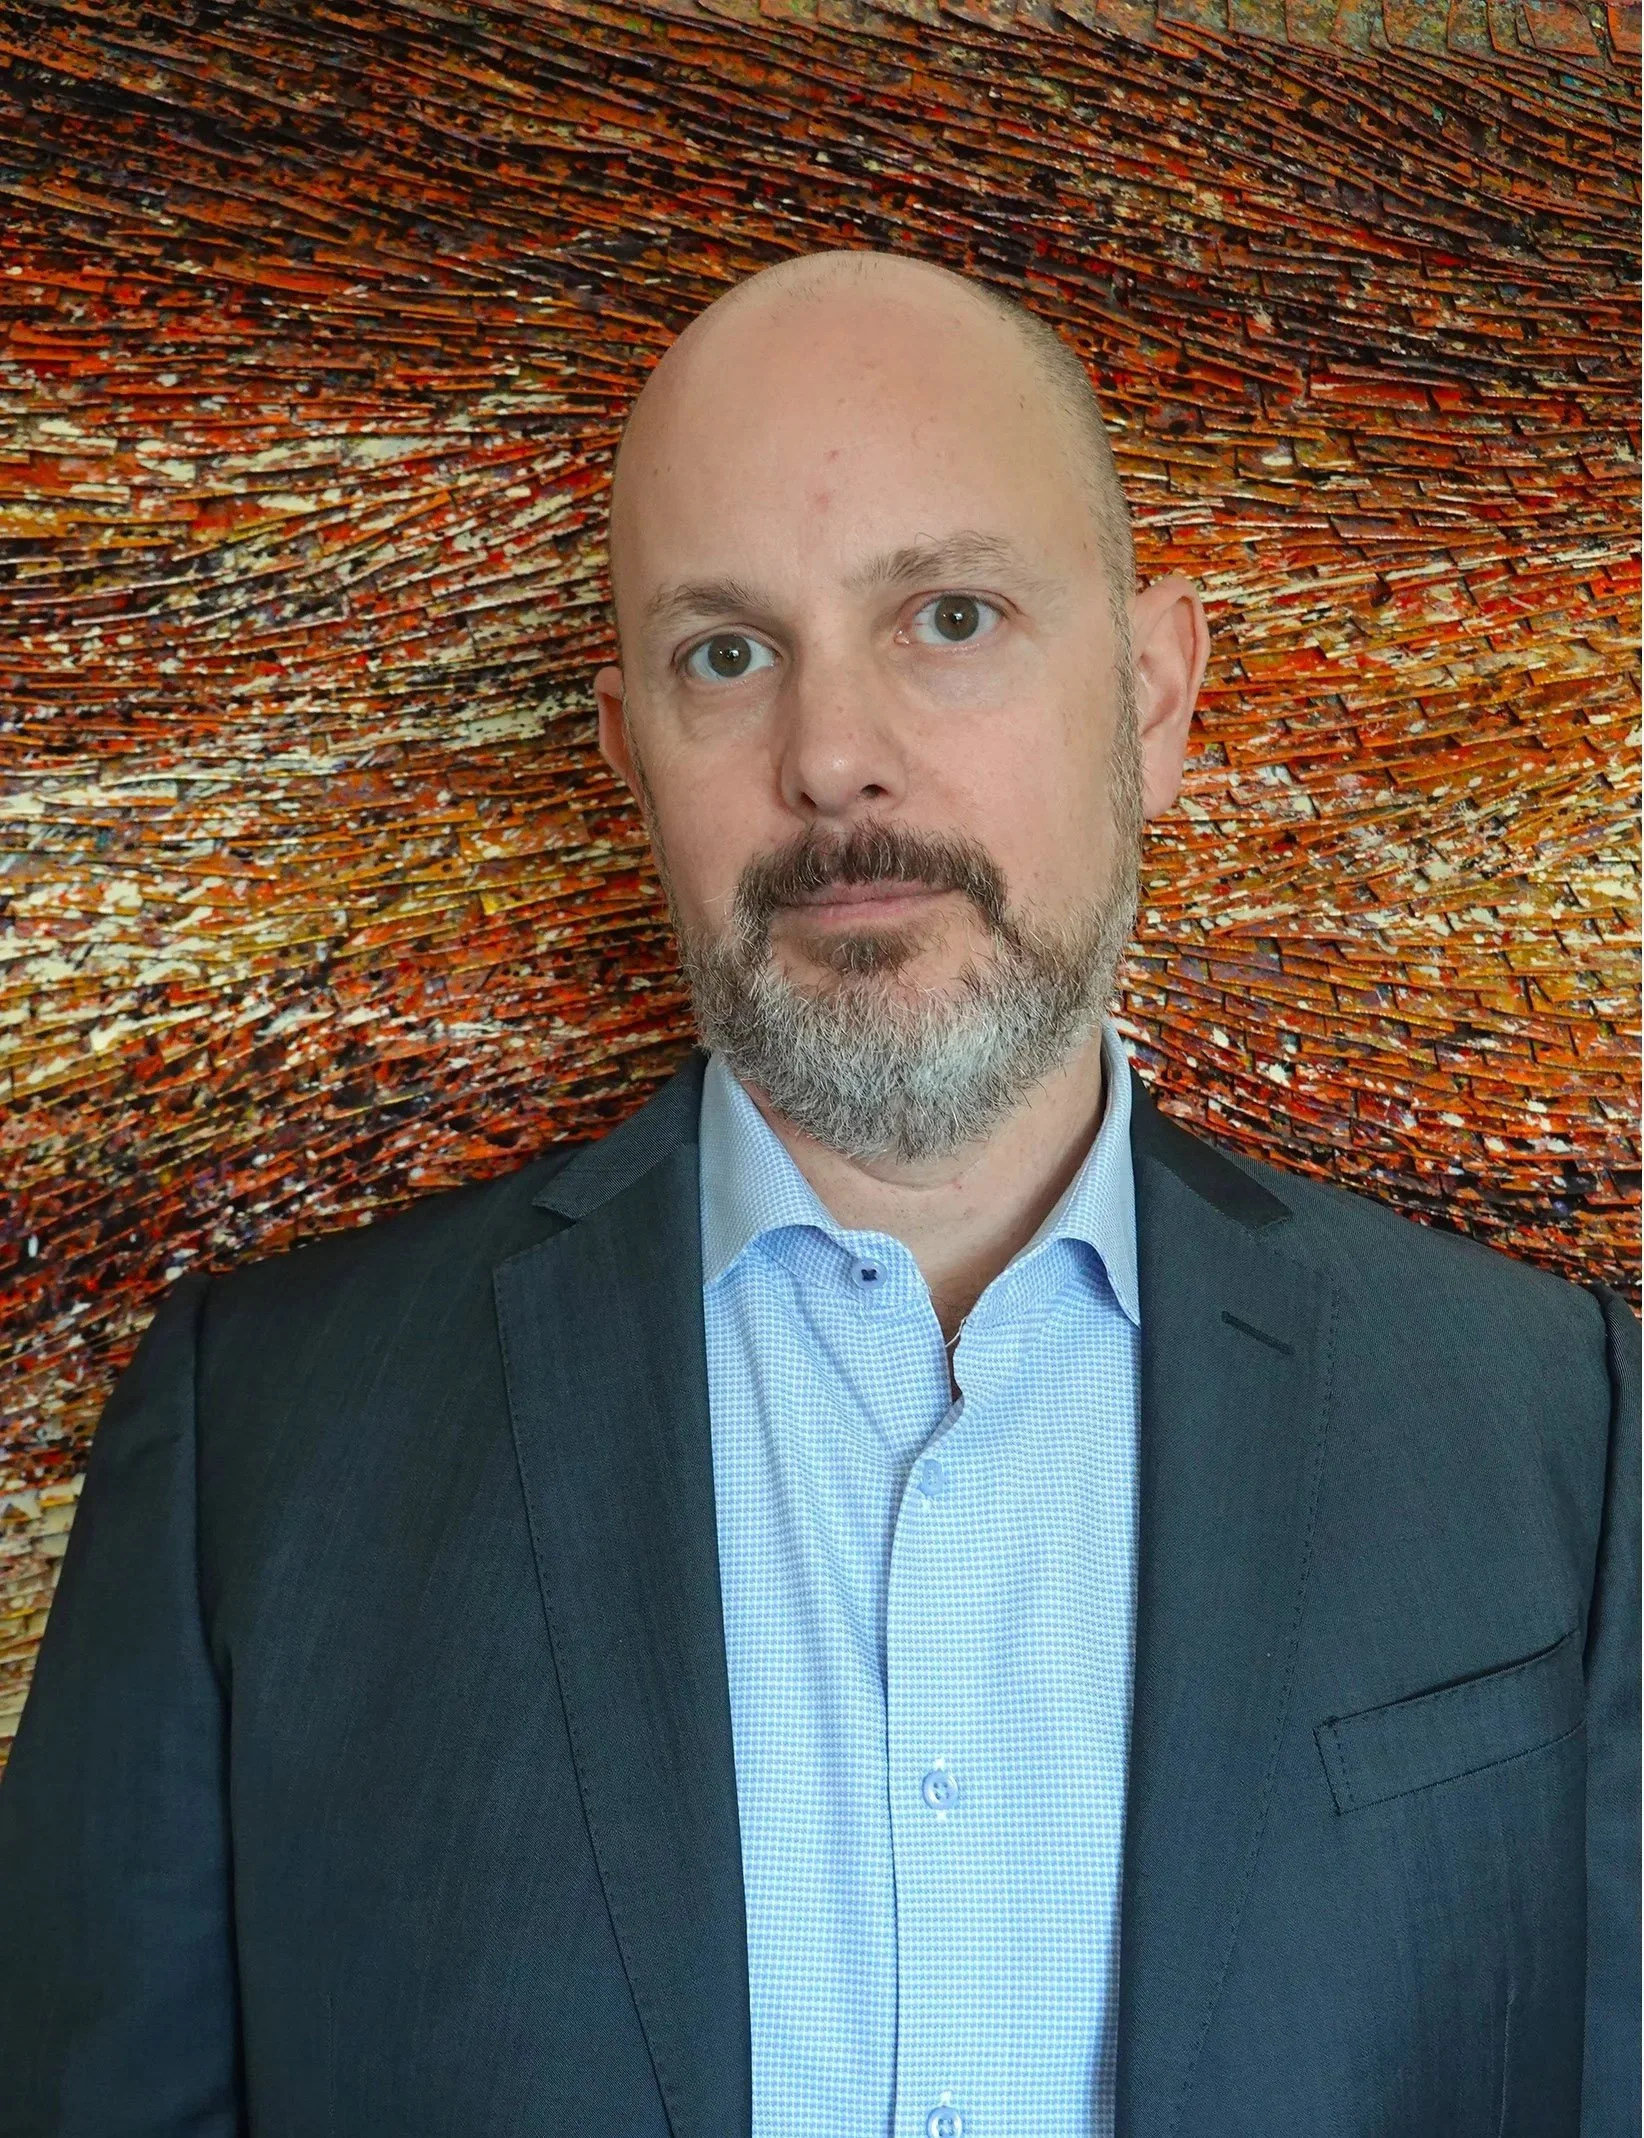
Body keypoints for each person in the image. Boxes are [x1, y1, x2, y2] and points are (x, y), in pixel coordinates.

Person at [0, 248, 1635, 2138]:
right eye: (725, 651)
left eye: (949, 615)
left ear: (1158, 696)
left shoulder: (1557, 1434)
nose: (831, 753)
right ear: (627, 756)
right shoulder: (256, 1448)